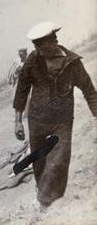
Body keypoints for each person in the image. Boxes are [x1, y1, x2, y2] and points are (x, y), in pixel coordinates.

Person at [13, 21, 97, 211]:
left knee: (58, 160)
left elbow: (89, 90)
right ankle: (43, 194)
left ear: (54, 41)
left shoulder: (72, 62)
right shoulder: (33, 60)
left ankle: (44, 201)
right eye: (36, 46)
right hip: (37, 120)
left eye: (42, 45)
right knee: (39, 161)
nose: (38, 50)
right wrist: (17, 122)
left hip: (62, 120)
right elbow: (21, 90)